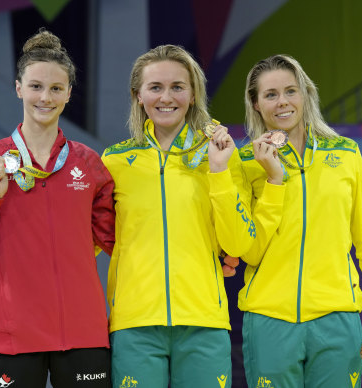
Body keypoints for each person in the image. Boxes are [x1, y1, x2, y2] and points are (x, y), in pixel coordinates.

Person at [0, 29, 114, 388]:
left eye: (55, 88)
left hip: (83, 332)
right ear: (18, 87)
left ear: (68, 94)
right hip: (14, 335)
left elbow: (122, 240)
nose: (44, 97)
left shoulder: (89, 164)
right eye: (35, 86)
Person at [237, 54, 362, 387]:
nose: (283, 102)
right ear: (256, 104)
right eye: (270, 94)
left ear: (306, 94)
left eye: (291, 90)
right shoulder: (243, 162)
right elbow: (247, 250)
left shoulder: (345, 154)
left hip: (337, 320)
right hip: (268, 320)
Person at [100, 44, 255, 388]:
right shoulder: (114, 161)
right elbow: (87, 240)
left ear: (193, 93)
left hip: (204, 322)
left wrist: (218, 172)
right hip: (135, 324)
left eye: (177, 87)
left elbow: (237, 242)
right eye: (155, 87)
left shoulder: (223, 153)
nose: (166, 97)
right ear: (138, 95)